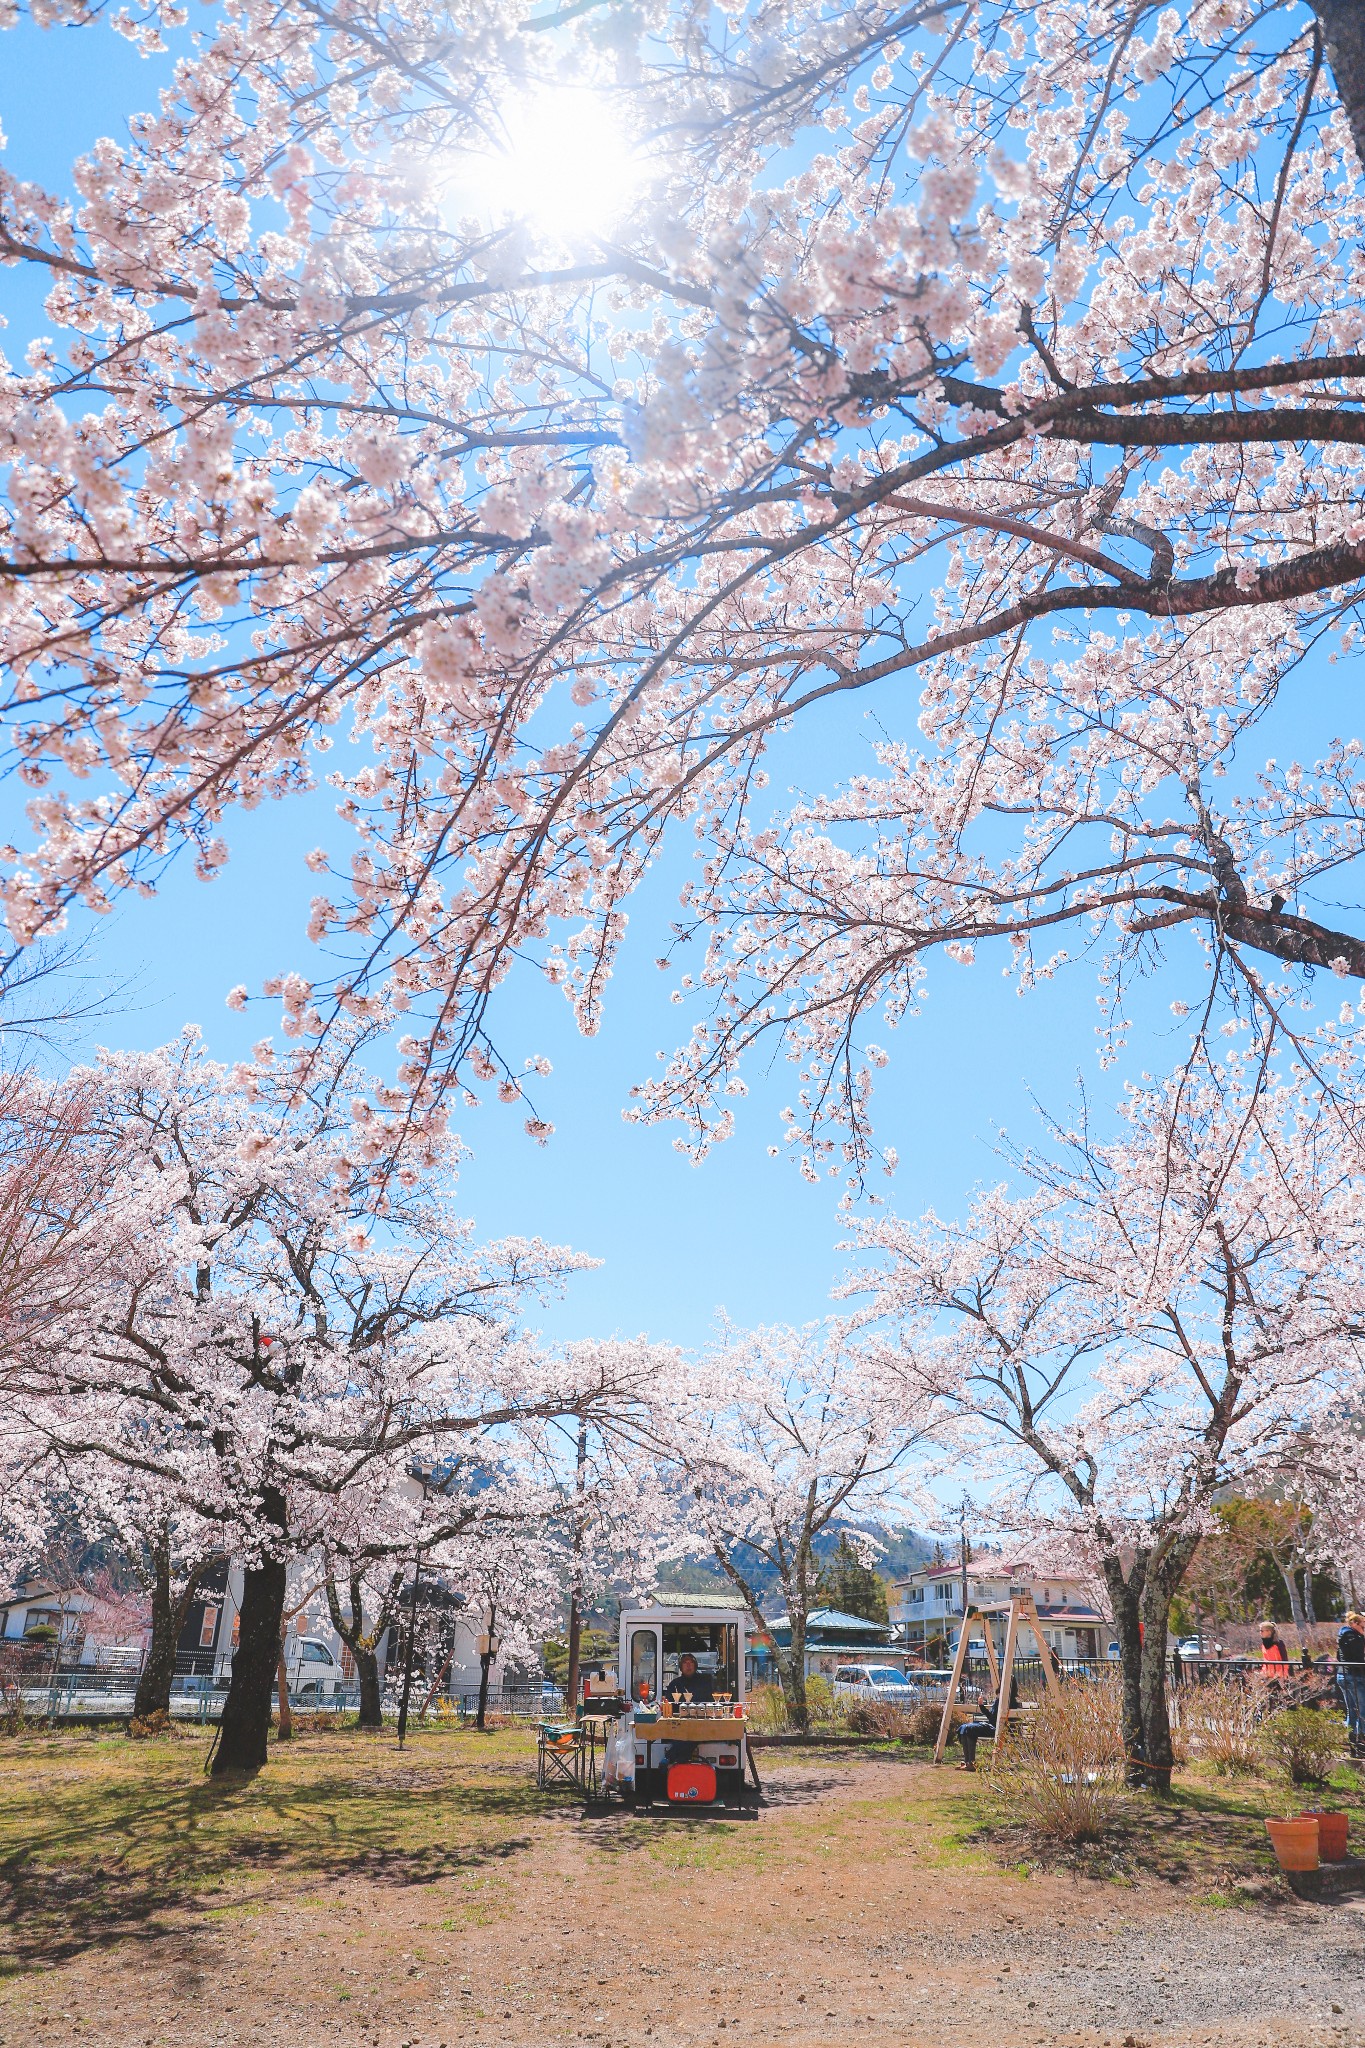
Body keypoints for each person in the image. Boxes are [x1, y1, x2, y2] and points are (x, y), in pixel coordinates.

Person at [956, 1676, 1020, 1771]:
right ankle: (968, 1762)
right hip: (993, 1726)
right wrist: (981, 1706)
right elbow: (992, 1717)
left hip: (1000, 1729)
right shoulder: (1000, 1698)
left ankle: (971, 1762)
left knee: (970, 1729)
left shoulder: (1011, 1701)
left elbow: (1003, 1721)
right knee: (964, 1727)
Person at [1336, 1610, 1365, 1757]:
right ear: (1354, 1623)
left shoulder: (1342, 1636)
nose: (1364, 1628)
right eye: (1363, 1625)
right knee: (1363, 1711)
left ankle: (1353, 1746)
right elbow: (1359, 1657)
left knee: (1351, 1712)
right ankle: (1361, 1744)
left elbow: (1339, 1657)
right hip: (1356, 1676)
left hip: (1342, 1675)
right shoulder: (1357, 1638)